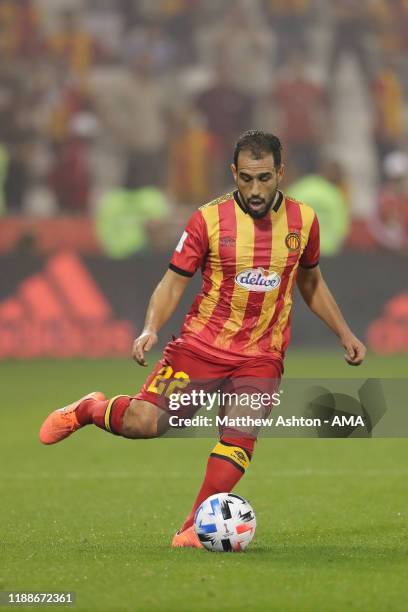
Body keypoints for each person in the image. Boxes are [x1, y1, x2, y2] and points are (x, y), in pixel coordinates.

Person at [39, 130, 366, 548]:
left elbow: (311, 282)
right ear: (233, 172)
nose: (254, 189)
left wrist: (344, 332)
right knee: (144, 423)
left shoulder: (304, 221)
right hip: (199, 348)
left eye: (264, 178)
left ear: (281, 173)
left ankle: (193, 527)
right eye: (246, 178)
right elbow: (173, 282)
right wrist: (150, 327)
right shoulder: (208, 220)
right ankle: (88, 409)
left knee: (241, 429)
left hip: (261, 355)